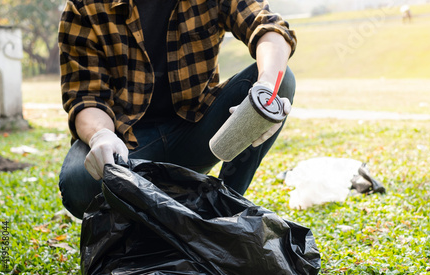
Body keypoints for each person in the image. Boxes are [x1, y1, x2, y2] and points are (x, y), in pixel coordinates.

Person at [58, 0, 297, 219]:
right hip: (128, 144)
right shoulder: (85, 5)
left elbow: (269, 27)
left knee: (279, 82)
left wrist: (266, 88)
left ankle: (224, 211)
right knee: (79, 182)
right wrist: (101, 135)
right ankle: (150, 213)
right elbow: (85, 96)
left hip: (198, 130)